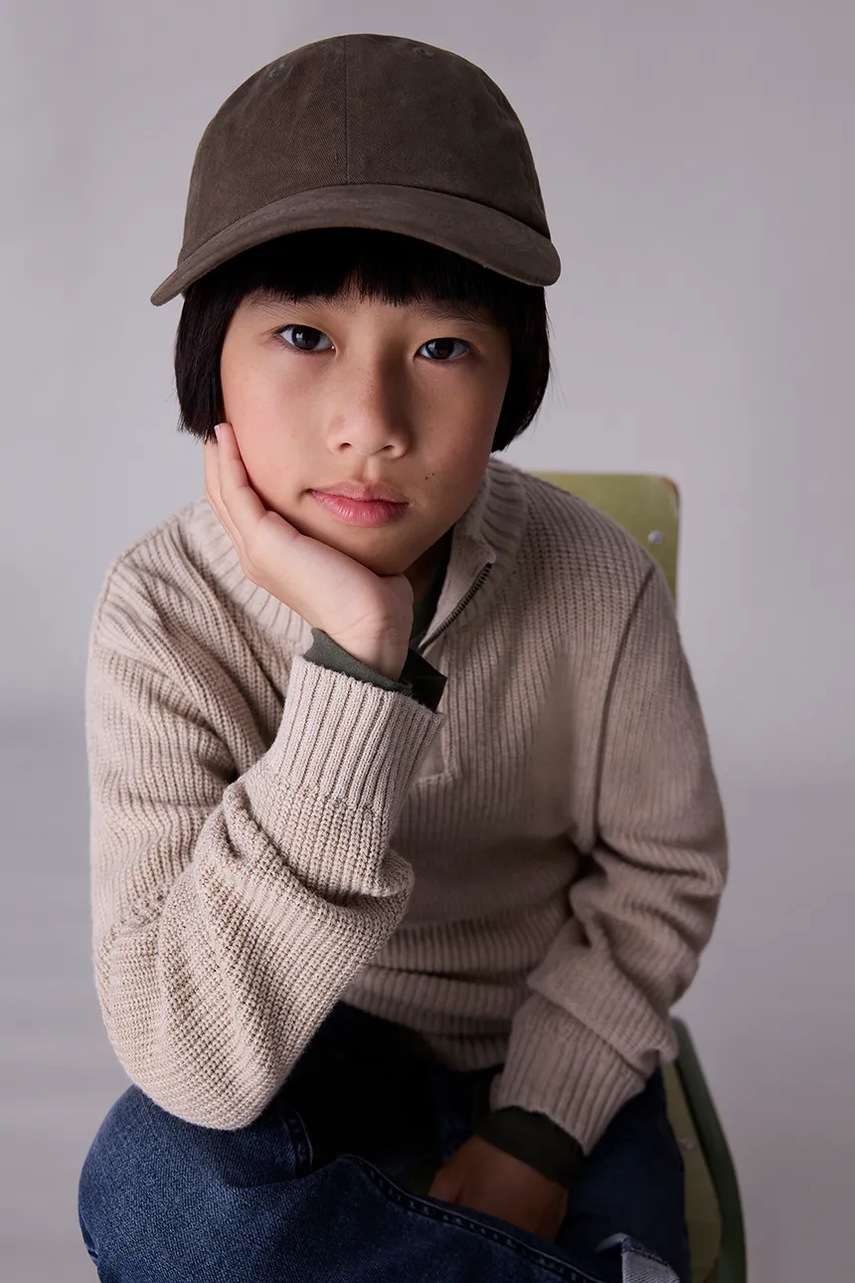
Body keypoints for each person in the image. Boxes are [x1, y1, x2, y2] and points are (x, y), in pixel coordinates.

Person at [77, 32, 727, 1283]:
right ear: (210, 358)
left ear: (512, 381)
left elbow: (663, 872)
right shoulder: (161, 612)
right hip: (302, 1048)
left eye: (441, 348)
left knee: (627, 1244)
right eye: (303, 334)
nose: (371, 424)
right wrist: (359, 663)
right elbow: (193, 1059)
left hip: (548, 1047)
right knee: (153, 1192)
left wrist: (538, 1128)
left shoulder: (597, 584)